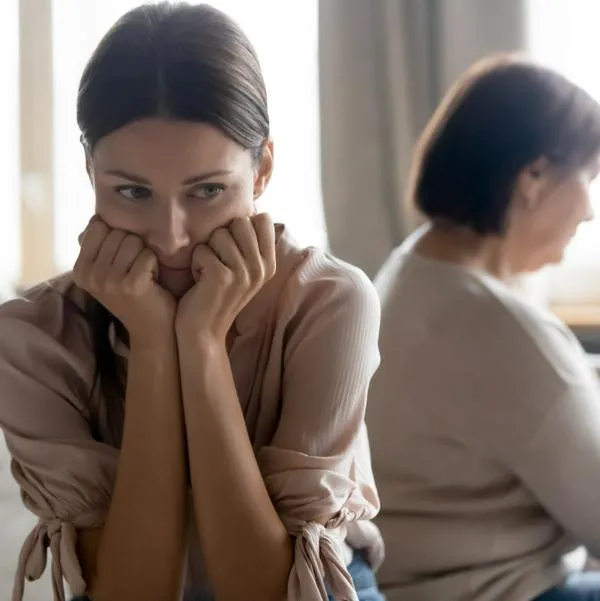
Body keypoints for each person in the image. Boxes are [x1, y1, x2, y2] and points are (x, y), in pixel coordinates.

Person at [0, 3, 385, 601]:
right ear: (89, 170)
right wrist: (154, 342)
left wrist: (201, 342)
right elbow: (132, 593)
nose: (173, 235)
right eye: (132, 191)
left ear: (262, 171)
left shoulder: (330, 302)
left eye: (207, 190)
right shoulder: (32, 337)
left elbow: (265, 591)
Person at [366, 54, 600, 601]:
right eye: (589, 177)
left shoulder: (412, 270)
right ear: (533, 178)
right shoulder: (504, 333)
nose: (591, 211)